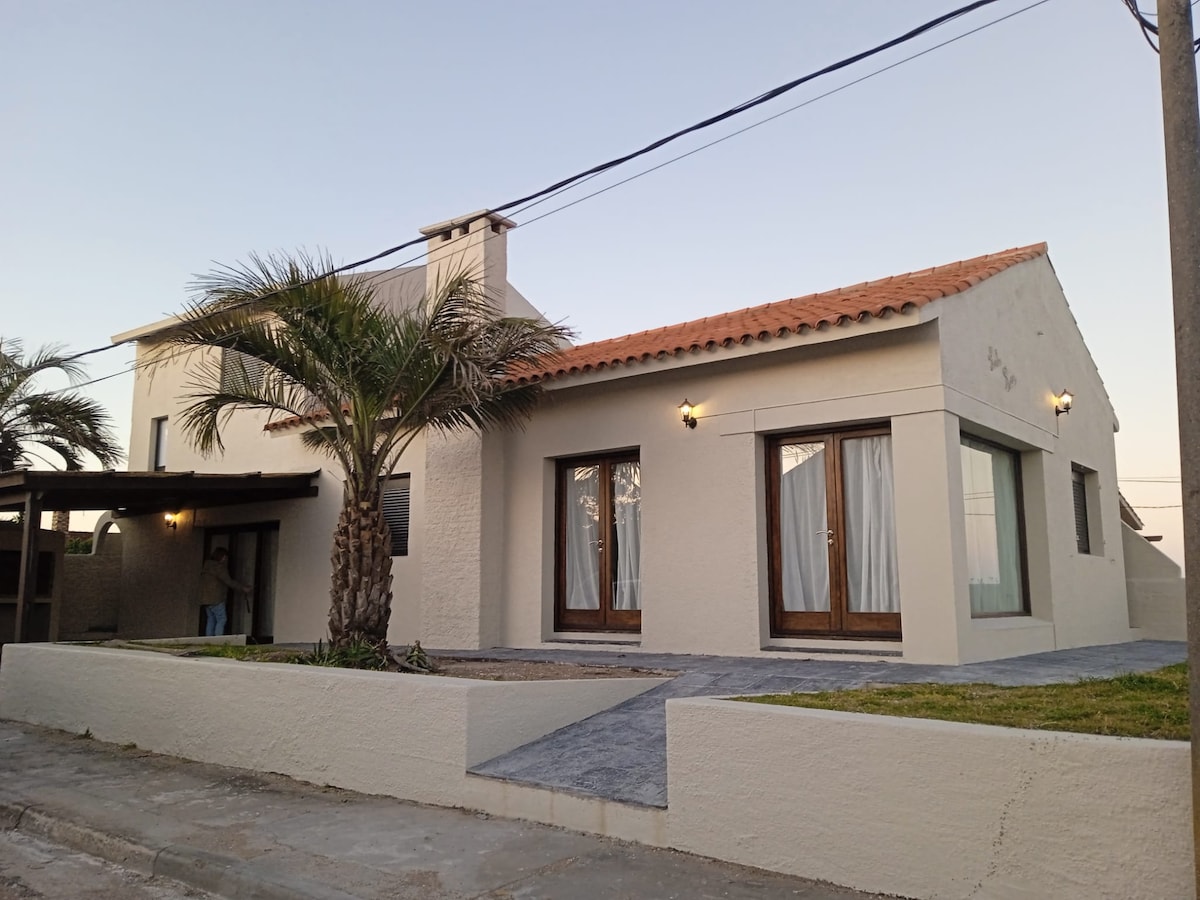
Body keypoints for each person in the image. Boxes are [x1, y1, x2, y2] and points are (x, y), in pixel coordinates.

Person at [200, 547, 251, 637]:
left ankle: (208, 640)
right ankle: (218, 640)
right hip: (216, 598)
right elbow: (228, 581)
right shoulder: (219, 567)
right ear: (221, 557)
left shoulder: (207, 566)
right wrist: (243, 588)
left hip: (205, 599)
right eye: (224, 557)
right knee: (222, 619)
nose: (225, 559)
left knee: (211, 619)